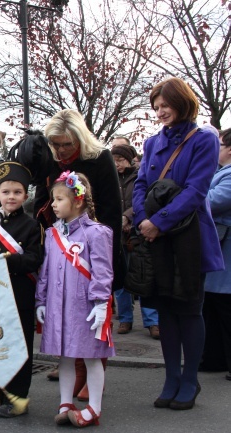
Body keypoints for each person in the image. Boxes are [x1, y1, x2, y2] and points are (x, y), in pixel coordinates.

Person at [133, 77, 223, 410]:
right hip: (156, 236)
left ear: (181, 102)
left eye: (165, 105)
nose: (160, 112)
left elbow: (197, 191)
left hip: (190, 236)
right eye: (156, 107)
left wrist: (158, 222)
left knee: (188, 308)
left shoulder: (203, 140)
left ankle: (189, 380)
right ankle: (171, 377)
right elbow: (141, 184)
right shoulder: (152, 142)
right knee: (166, 311)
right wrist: (145, 220)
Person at [36, 109, 122, 400]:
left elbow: (111, 210)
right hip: (61, 245)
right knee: (68, 315)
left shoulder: (100, 159)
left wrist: (103, 255)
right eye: (56, 144)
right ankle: (72, 364)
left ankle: (91, 374)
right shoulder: (51, 160)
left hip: (93, 248)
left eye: (66, 144)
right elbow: (42, 200)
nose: (61, 150)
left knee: (93, 318)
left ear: (80, 138)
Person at [36, 172, 115, 427]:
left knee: (92, 357)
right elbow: (46, 270)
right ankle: (65, 403)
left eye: (59, 199)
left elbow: (102, 271)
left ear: (78, 201)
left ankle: (94, 408)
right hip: (59, 305)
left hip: (86, 306)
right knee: (65, 357)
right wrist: (41, 301)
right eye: (53, 199)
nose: (54, 204)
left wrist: (101, 303)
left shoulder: (97, 233)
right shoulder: (51, 234)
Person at [0, 162, 44, 418]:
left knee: (18, 348)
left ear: (25, 196)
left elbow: (34, 259)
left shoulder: (31, 226)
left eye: (17, 192)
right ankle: (0, 396)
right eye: (6, 192)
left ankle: (18, 400)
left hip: (19, 294)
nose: (11, 197)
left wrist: (5, 260)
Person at [110, 143, 160, 340]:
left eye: (120, 160)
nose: (117, 165)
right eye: (114, 161)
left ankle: (152, 321)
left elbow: (144, 199)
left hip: (137, 234)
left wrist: (128, 217)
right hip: (118, 236)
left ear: (129, 160)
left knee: (143, 276)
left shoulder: (139, 176)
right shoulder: (110, 178)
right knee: (121, 279)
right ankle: (125, 319)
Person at [201, 128, 231, 381]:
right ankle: (213, 358)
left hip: (227, 253)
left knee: (226, 310)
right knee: (212, 308)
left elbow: (212, 200)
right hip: (219, 251)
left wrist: (192, 194)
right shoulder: (221, 173)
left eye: (220, 145)